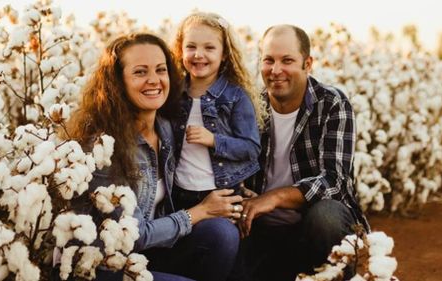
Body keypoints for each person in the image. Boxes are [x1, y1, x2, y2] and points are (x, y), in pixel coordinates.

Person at [64, 33, 244, 281]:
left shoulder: (166, 128)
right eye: (140, 72)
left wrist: (239, 188)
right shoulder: (103, 146)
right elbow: (132, 236)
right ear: (118, 82)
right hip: (104, 265)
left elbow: (199, 168)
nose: (154, 80)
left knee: (221, 234)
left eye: (161, 70)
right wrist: (200, 211)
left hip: (150, 254)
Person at [239, 25, 370, 281]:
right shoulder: (249, 105)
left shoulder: (332, 103)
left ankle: (333, 274)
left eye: (287, 60)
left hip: (309, 229)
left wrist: (274, 198)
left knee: (327, 217)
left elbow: (335, 181)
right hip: (259, 229)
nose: (276, 70)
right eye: (269, 60)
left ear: (307, 63)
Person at [170, 12, 261, 212]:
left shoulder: (235, 96)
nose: (198, 54)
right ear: (180, 50)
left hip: (220, 192)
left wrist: (213, 140)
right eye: (191, 47)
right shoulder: (172, 94)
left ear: (224, 54)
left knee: (219, 238)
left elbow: (251, 148)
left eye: (209, 48)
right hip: (177, 193)